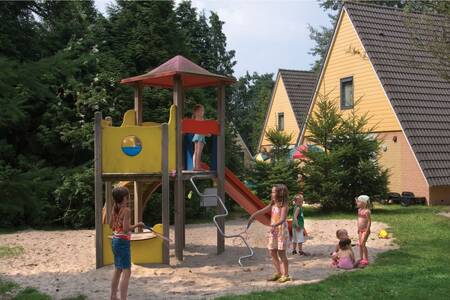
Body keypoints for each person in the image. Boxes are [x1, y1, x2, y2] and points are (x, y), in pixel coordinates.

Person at [248, 184, 291, 283]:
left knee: (281, 254)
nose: (271, 194)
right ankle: (279, 273)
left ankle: (286, 274)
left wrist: (274, 225)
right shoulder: (273, 204)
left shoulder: (283, 205)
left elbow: (282, 219)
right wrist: (253, 215)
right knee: (272, 252)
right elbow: (263, 211)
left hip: (280, 231)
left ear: (280, 193)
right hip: (273, 230)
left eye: (273, 192)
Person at [109, 186, 144, 300]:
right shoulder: (127, 210)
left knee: (118, 269)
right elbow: (126, 229)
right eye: (127, 197)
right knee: (127, 271)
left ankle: (113, 296)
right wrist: (137, 225)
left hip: (114, 240)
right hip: (122, 242)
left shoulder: (114, 208)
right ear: (123, 198)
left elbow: (110, 225)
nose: (128, 199)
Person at [356, 195, 371, 267]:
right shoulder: (359, 210)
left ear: (363, 202)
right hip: (360, 230)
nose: (357, 203)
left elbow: (369, 221)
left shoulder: (367, 211)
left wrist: (367, 230)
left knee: (363, 244)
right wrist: (358, 228)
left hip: (365, 230)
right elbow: (359, 220)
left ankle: (366, 259)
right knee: (360, 244)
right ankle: (361, 258)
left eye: (358, 202)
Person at [192, 104, 207, 171]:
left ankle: (196, 166)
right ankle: (197, 167)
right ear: (197, 112)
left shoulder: (196, 119)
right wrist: (207, 133)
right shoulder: (200, 119)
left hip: (197, 136)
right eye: (201, 110)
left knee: (196, 152)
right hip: (200, 136)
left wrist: (207, 133)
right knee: (198, 152)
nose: (203, 112)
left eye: (203, 110)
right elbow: (201, 129)